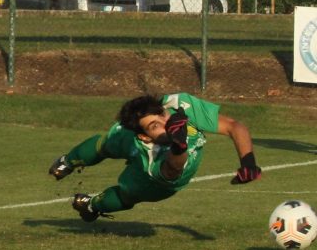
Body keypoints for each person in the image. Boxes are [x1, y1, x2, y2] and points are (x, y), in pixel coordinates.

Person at [48, 92, 262, 222]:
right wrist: (179, 144)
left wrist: (248, 162)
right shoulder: (149, 152)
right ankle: (67, 162)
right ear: (144, 136)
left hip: (151, 184)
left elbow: (233, 126)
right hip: (140, 151)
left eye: (162, 115)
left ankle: (91, 206)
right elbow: (174, 164)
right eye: (154, 126)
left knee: (127, 195)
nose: (164, 123)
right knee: (105, 144)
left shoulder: (181, 105)